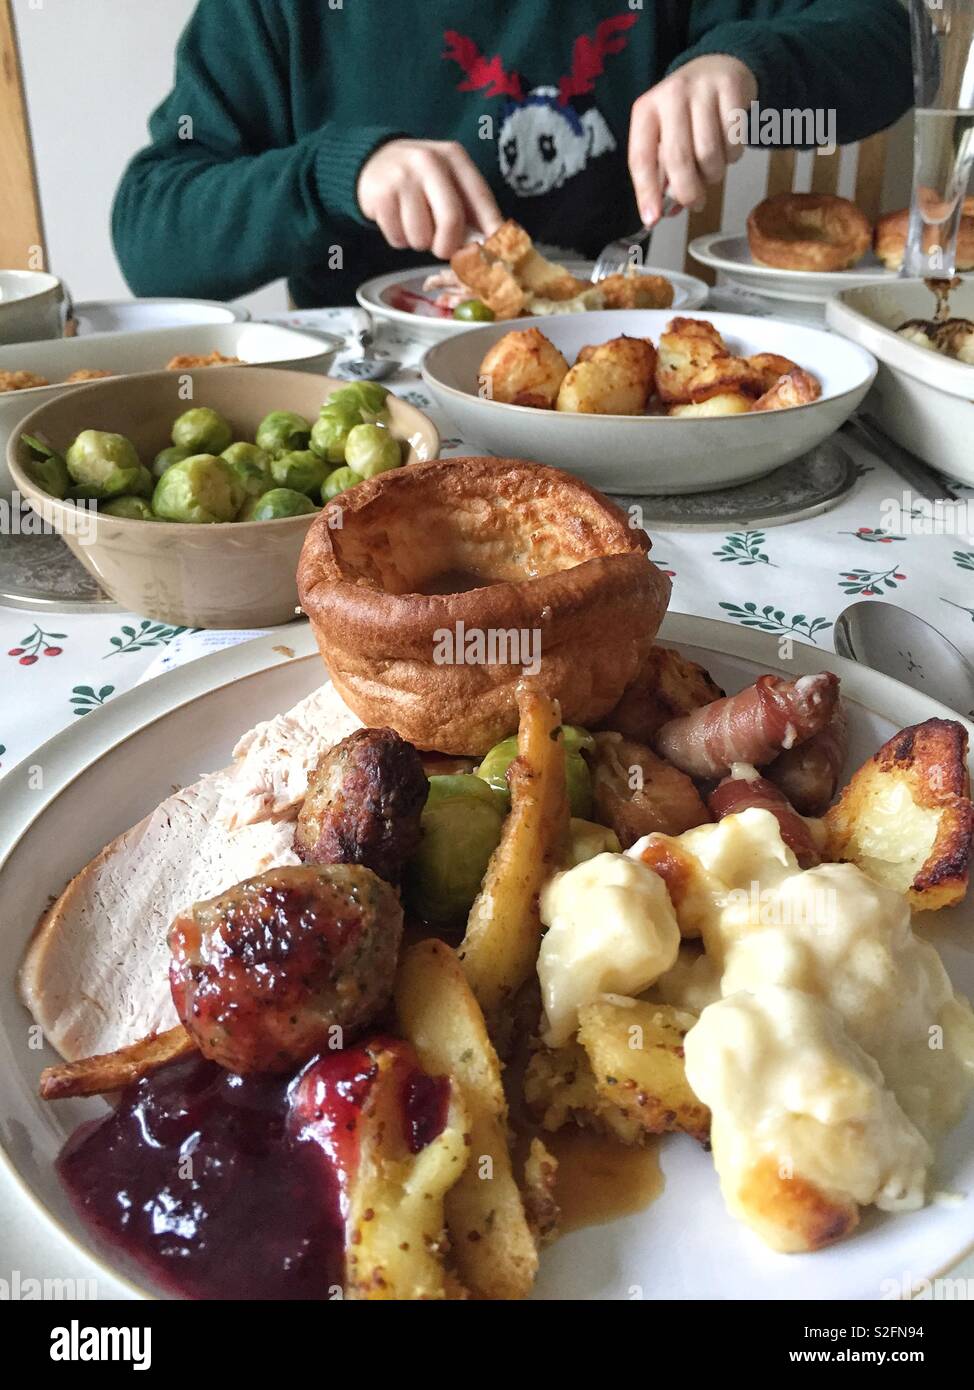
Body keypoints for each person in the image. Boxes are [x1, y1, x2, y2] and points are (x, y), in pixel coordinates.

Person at [112, 1, 912, 308]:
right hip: (367, 425)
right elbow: (152, 238)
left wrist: (745, 66)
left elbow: (890, 45)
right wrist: (334, 174)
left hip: (597, 403)